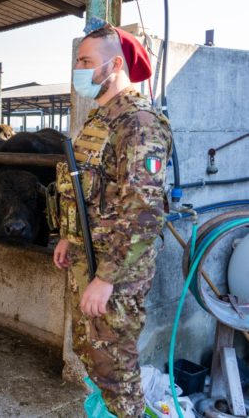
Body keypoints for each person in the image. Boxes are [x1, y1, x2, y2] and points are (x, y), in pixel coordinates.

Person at [53, 26, 173, 417]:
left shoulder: (138, 123)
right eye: (78, 62)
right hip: (88, 258)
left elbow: (144, 211)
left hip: (116, 272)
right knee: (93, 355)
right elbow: (89, 190)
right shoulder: (101, 120)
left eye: (86, 62)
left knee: (115, 369)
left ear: (115, 63)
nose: (79, 69)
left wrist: (105, 279)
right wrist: (68, 237)